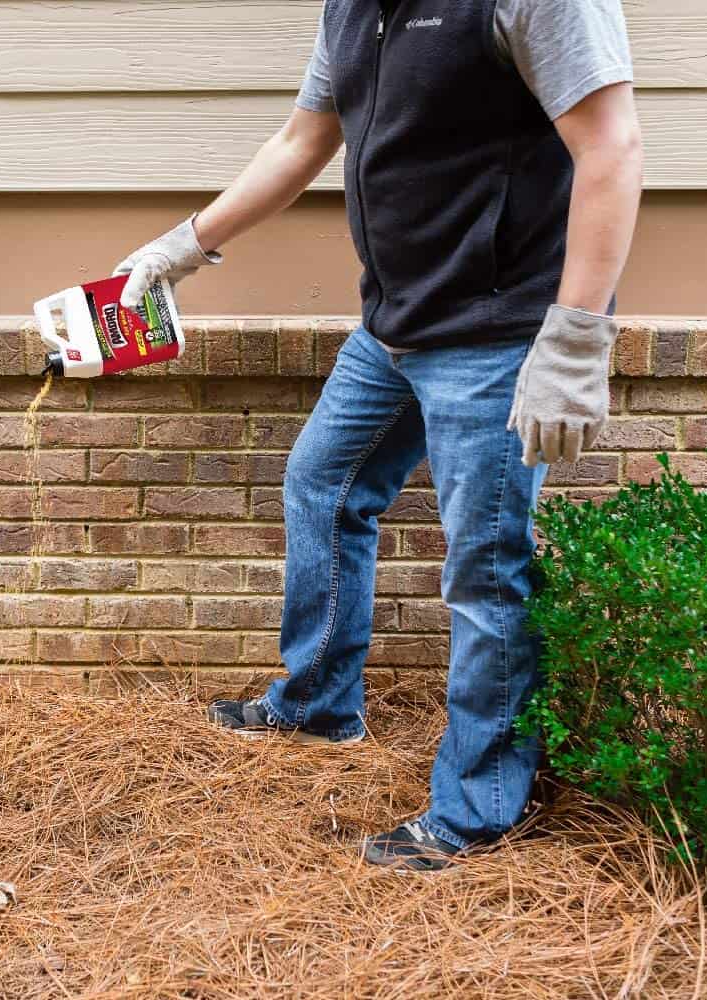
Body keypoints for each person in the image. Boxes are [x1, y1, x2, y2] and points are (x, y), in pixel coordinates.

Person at [114, 0, 642, 872]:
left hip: (496, 335)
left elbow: (610, 145)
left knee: (486, 568)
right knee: (322, 483)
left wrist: (576, 337)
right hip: (393, 329)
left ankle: (479, 808)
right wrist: (183, 246)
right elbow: (300, 142)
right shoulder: (354, 7)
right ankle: (320, 702)